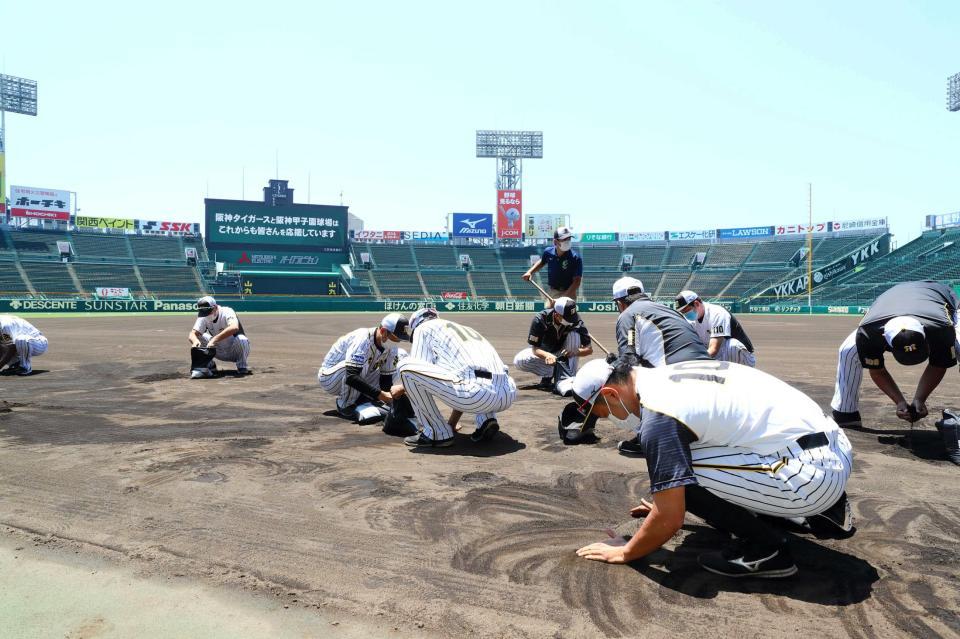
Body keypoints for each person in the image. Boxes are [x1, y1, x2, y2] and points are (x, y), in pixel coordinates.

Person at [565, 357, 854, 578]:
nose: (605, 419)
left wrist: (626, 551)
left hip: (811, 474)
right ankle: (821, 513)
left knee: (682, 475)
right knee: (683, 464)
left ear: (611, 394)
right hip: (830, 445)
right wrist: (663, 500)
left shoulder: (658, 414)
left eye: (601, 412)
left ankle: (768, 551)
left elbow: (670, 518)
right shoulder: (662, 374)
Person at [602, 277, 712, 452]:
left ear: (620, 303)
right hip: (711, 374)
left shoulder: (627, 315)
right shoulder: (669, 311)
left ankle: (647, 437)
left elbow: (629, 361)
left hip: (680, 381)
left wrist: (615, 363)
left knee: (625, 379)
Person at [830, 280, 960, 429]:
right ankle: (845, 413)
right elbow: (877, 370)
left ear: (925, 335)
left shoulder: (940, 329)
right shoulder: (868, 333)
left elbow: (938, 365)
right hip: (891, 304)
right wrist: (899, 401)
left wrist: (919, 398)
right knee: (848, 351)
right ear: (886, 340)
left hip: (941, 300)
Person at [393, 308, 517, 448]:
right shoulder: (464, 330)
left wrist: (402, 387)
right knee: (474, 376)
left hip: (477, 395)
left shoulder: (423, 328)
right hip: (508, 393)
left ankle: (435, 433)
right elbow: (460, 377)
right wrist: (451, 423)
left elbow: (418, 369)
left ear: (415, 325)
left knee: (405, 367)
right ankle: (486, 420)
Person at [318, 313, 410, 424]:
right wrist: (380, 395)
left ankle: (362, 397)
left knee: (401, 357)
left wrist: (392, 399)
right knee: (359, 366)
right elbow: (351, 376)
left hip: (356, 374)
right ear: (383, 331)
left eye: (399, 339)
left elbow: (386, 379)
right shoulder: (363, 338)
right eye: (395, 337)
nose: (397, 341)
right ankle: (345, 405)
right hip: (330, 378)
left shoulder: (391, 347)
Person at [512, 297, 593, 396]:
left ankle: (568, 379)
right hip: (544, 353)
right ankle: (550, 374)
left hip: (564, 353)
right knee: (519, 361)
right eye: (566, 318)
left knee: (574, 335)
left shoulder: (576, 320)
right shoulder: (541, 319)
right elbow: (535, 349)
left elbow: (589, 349)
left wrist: (576, 351)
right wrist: (547, 356)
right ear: (557, 315)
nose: (570, 321)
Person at [674, 290, 756, 366]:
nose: (685, 314)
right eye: (682, 312)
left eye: (686, 310)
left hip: (740, 356)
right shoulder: (690, 321)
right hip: (718, 356)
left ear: (696, 304)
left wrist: (696, 364)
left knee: (733, 345)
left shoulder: (717, 313)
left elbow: (714, 349)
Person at [188, 296, 251, 378]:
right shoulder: (203, 316)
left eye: (208, 312)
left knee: (242, 339)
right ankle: (209, 364)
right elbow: (192, 334)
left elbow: (234, 327)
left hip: (235, 350)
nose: (206, 315)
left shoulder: (227, 311)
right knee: (199, 336)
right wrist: (195, 341)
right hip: (218, 351)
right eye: (203, 313)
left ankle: (242, 366)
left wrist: (214, 339)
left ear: (215, 307)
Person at [521, 226, 583, 305]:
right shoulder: (548, 252)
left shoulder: (576, 257)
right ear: (555, 242)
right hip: (553, 292)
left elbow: (577, 281)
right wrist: (530, 272)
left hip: (569, 292)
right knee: (549, 316)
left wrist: (563, 298)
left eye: (569, 239)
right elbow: (542, 262)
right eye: (564, 239)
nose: (567, 241)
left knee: (568, 315)